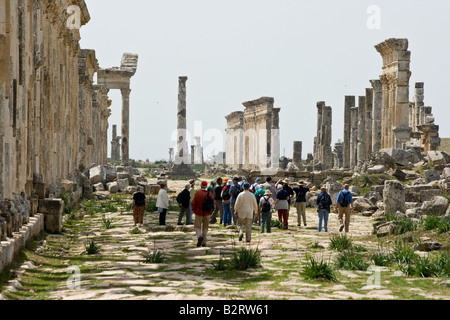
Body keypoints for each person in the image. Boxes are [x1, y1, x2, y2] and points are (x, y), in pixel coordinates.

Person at [191, 181, 215, 247]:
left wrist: (194, 210)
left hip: (198, 213)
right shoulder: (209, 193)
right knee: (205, 228)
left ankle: (199, 236)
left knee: (197, 227)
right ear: (206, 186)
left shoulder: (197, 193)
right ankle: (204, 242)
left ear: (201, 186)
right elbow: (213, 203)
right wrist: (211, 212)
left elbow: (194, 203)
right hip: (207, 213)